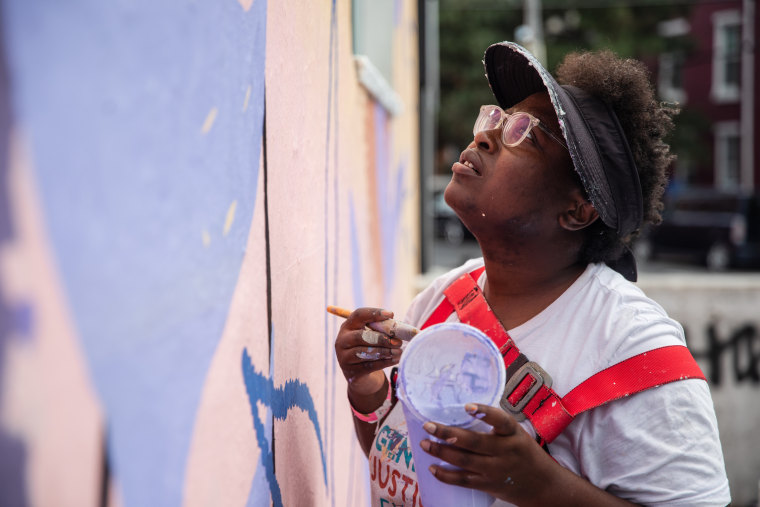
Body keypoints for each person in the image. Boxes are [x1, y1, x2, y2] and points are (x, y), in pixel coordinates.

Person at [334, 42, 730, 506]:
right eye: (497, 119)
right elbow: (409, 468)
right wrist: (368, 389)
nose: (485, 137)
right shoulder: (444, 299)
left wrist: (538, 484)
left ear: (577, 210)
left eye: (525, 133)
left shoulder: (635, 350)